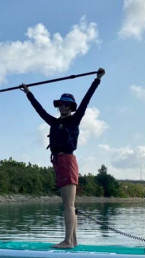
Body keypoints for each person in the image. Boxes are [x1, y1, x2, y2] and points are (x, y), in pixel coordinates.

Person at [20, 67, 105, 248]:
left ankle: (67, 241)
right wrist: (28, 93)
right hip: (58, 162)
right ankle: (73, 241)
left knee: (68, 204)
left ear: (71, 107)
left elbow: (86, 101)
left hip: (67, 161)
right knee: (68, 204)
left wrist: (97, 79)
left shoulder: (74, 119)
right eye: (61, 104)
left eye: (66, 105)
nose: (63, 107)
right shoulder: (55, 122)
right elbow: (40, 111)